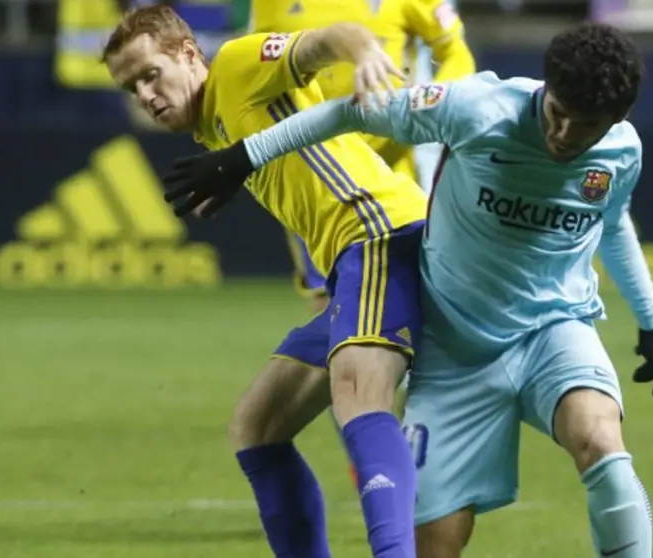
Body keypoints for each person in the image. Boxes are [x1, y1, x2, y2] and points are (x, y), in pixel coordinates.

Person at [161, 22, 653, 558]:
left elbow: (612, 223)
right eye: (557, 113)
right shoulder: (479, 108)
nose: (566, 134)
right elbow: (349, 112)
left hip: (554, 330)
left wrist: (652, 321)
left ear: (616, 121)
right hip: (452, 349)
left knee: (602, 447)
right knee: (434, 545)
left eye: (586, 125)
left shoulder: (620, 152)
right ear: (547, 89)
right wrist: (244, 157)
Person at [101, 6, 425, 558]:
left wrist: (365, 51)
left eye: (151, 74)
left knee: (358, 393)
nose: (146, 95)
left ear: (187, 54)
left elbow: (327, 40)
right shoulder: (213, 125)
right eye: (132, 87)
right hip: (356, 258)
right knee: (257, 425)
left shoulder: (236, 64)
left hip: (382, 234)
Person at [249, 0, 476, 487]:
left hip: (392, 184)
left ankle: (399, 449)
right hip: (317, 183)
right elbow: (260, 69)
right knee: (337, 322)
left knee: (411, 325)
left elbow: (455, 52)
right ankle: (375, 457)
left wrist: (432, 95)